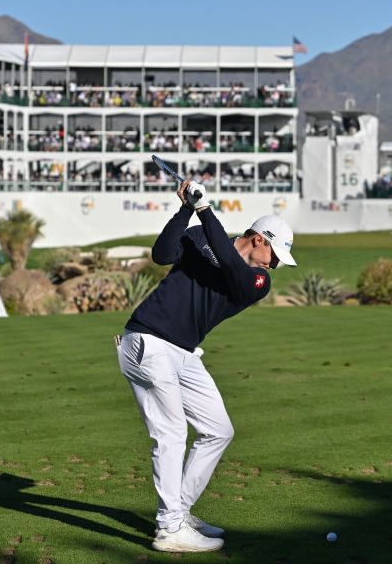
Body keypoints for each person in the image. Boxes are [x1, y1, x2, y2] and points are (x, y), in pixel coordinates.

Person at [116, 178, 297, 553]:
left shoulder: (259, 281)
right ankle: (169, 529)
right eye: (276, 254)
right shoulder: (199, 235)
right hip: (148, 341)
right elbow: (162, 255)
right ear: (259, 239)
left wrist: (204, 208)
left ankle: (179, 511)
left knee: (219, 430)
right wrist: (186, 208)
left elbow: (230, 265)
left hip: (183, 353)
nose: (277, 264)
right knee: (170, 433)